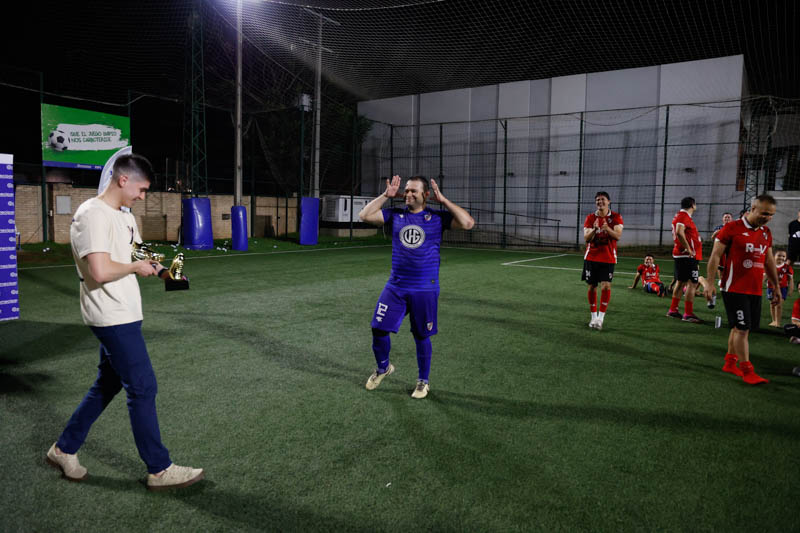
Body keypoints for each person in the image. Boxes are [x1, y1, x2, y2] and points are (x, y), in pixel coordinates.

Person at [46, 154, 204, 490]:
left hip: (126, 313)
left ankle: (64, 448)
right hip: (109, 315)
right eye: (142, 189)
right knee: (143, 386)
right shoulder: (92, 215)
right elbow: (99, 271)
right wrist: (134, 269)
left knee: (108, 383)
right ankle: (159, 469)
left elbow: (136, 249)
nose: (143, 196)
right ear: (123, 180)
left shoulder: (124, 217)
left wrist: (165, 272)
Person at [358, 175, 474, 399]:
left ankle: (423, 381)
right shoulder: (395, 214)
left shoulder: (437, 218)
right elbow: (364, 215)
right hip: (396, 287)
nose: (408, 194)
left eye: (413, 191)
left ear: (425, 195)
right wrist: (385, 196)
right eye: (406, 191)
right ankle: (383, 368)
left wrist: (444, 201)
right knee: (378, 328)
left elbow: (468, 223)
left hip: (424, 289)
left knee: (421, 336)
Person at [704, 194, 781, 385]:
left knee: (741, 328)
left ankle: (730, 363)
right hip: (734, 288)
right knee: (743, 329)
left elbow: (769, 261)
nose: (767, 218)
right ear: (753, 209)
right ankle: (747, 370)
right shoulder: (732, 228)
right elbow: (715, 256)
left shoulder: (766, 233)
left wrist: (776, 285)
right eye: (764, 213)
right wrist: (711, 283)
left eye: (771, 215)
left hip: (754, 289)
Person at [582, 192, 623, 330]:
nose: (600, 202)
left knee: (606, 286)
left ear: (609, 201)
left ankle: (601, 318)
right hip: (591, 257)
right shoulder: (590, 218)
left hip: (608, 257)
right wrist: (594, 229)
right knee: (592, 286)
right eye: (598, 200)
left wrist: (606, 228)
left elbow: (617, 236)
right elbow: (586, 238)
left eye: (603, 199)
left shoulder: (616, 217)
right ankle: (593, 317)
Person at [667, 197, 703, 323]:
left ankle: (673, 310)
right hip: (687, 256)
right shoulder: (683, 216)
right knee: (692, 283)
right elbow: (679, 232)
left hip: (681, 255)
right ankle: (688, 313)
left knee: (681, 282)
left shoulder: (680, 216)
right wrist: (689, 248)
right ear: (693, 205)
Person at [766, 249, 793, 327]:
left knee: (779, 304)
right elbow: (765, 276)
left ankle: (778, 323)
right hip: (771, 288)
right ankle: (773, 320)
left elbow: (790, 279)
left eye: (783, 256)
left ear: (786, 258)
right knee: (772, 304)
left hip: (782, 288)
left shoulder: (787, 267)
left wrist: (790, 289)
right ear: (774, 256)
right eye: (779, 255)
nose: (781, 257)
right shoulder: (770, 265)